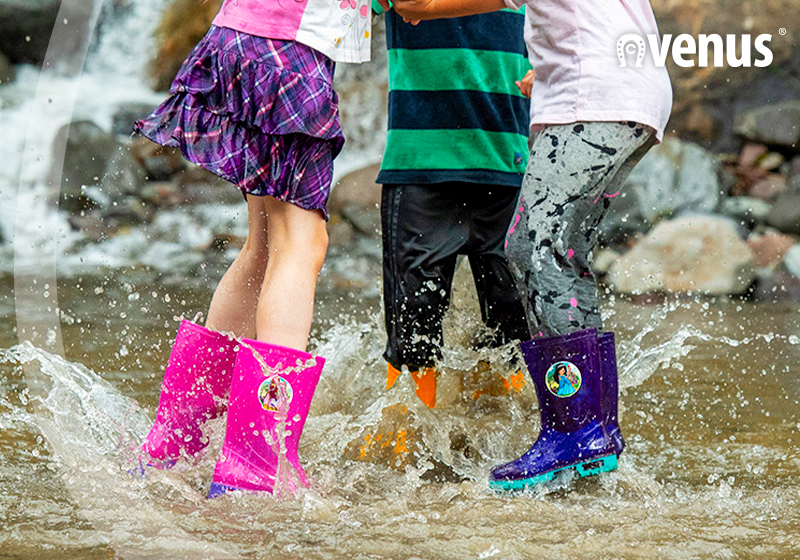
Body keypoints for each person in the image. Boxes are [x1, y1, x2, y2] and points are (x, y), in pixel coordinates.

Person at [391, 0, 672, 489]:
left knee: (532, 248)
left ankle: (571, 431)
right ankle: (594, 432)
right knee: (564, 254)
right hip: (625, 93)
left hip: (596, 98)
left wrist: (419, 8)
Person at [132, 0, 373, 498]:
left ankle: (178, 440)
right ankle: (255, 457)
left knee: (264, 242)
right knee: (302, 243)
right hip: (289, 54)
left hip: (239, 40)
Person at [373, 2, 532, 408]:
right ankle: (405, 444)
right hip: (421, 163)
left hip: (510, 162)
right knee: (413, 324)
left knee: (517, 324)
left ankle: (512, 432)